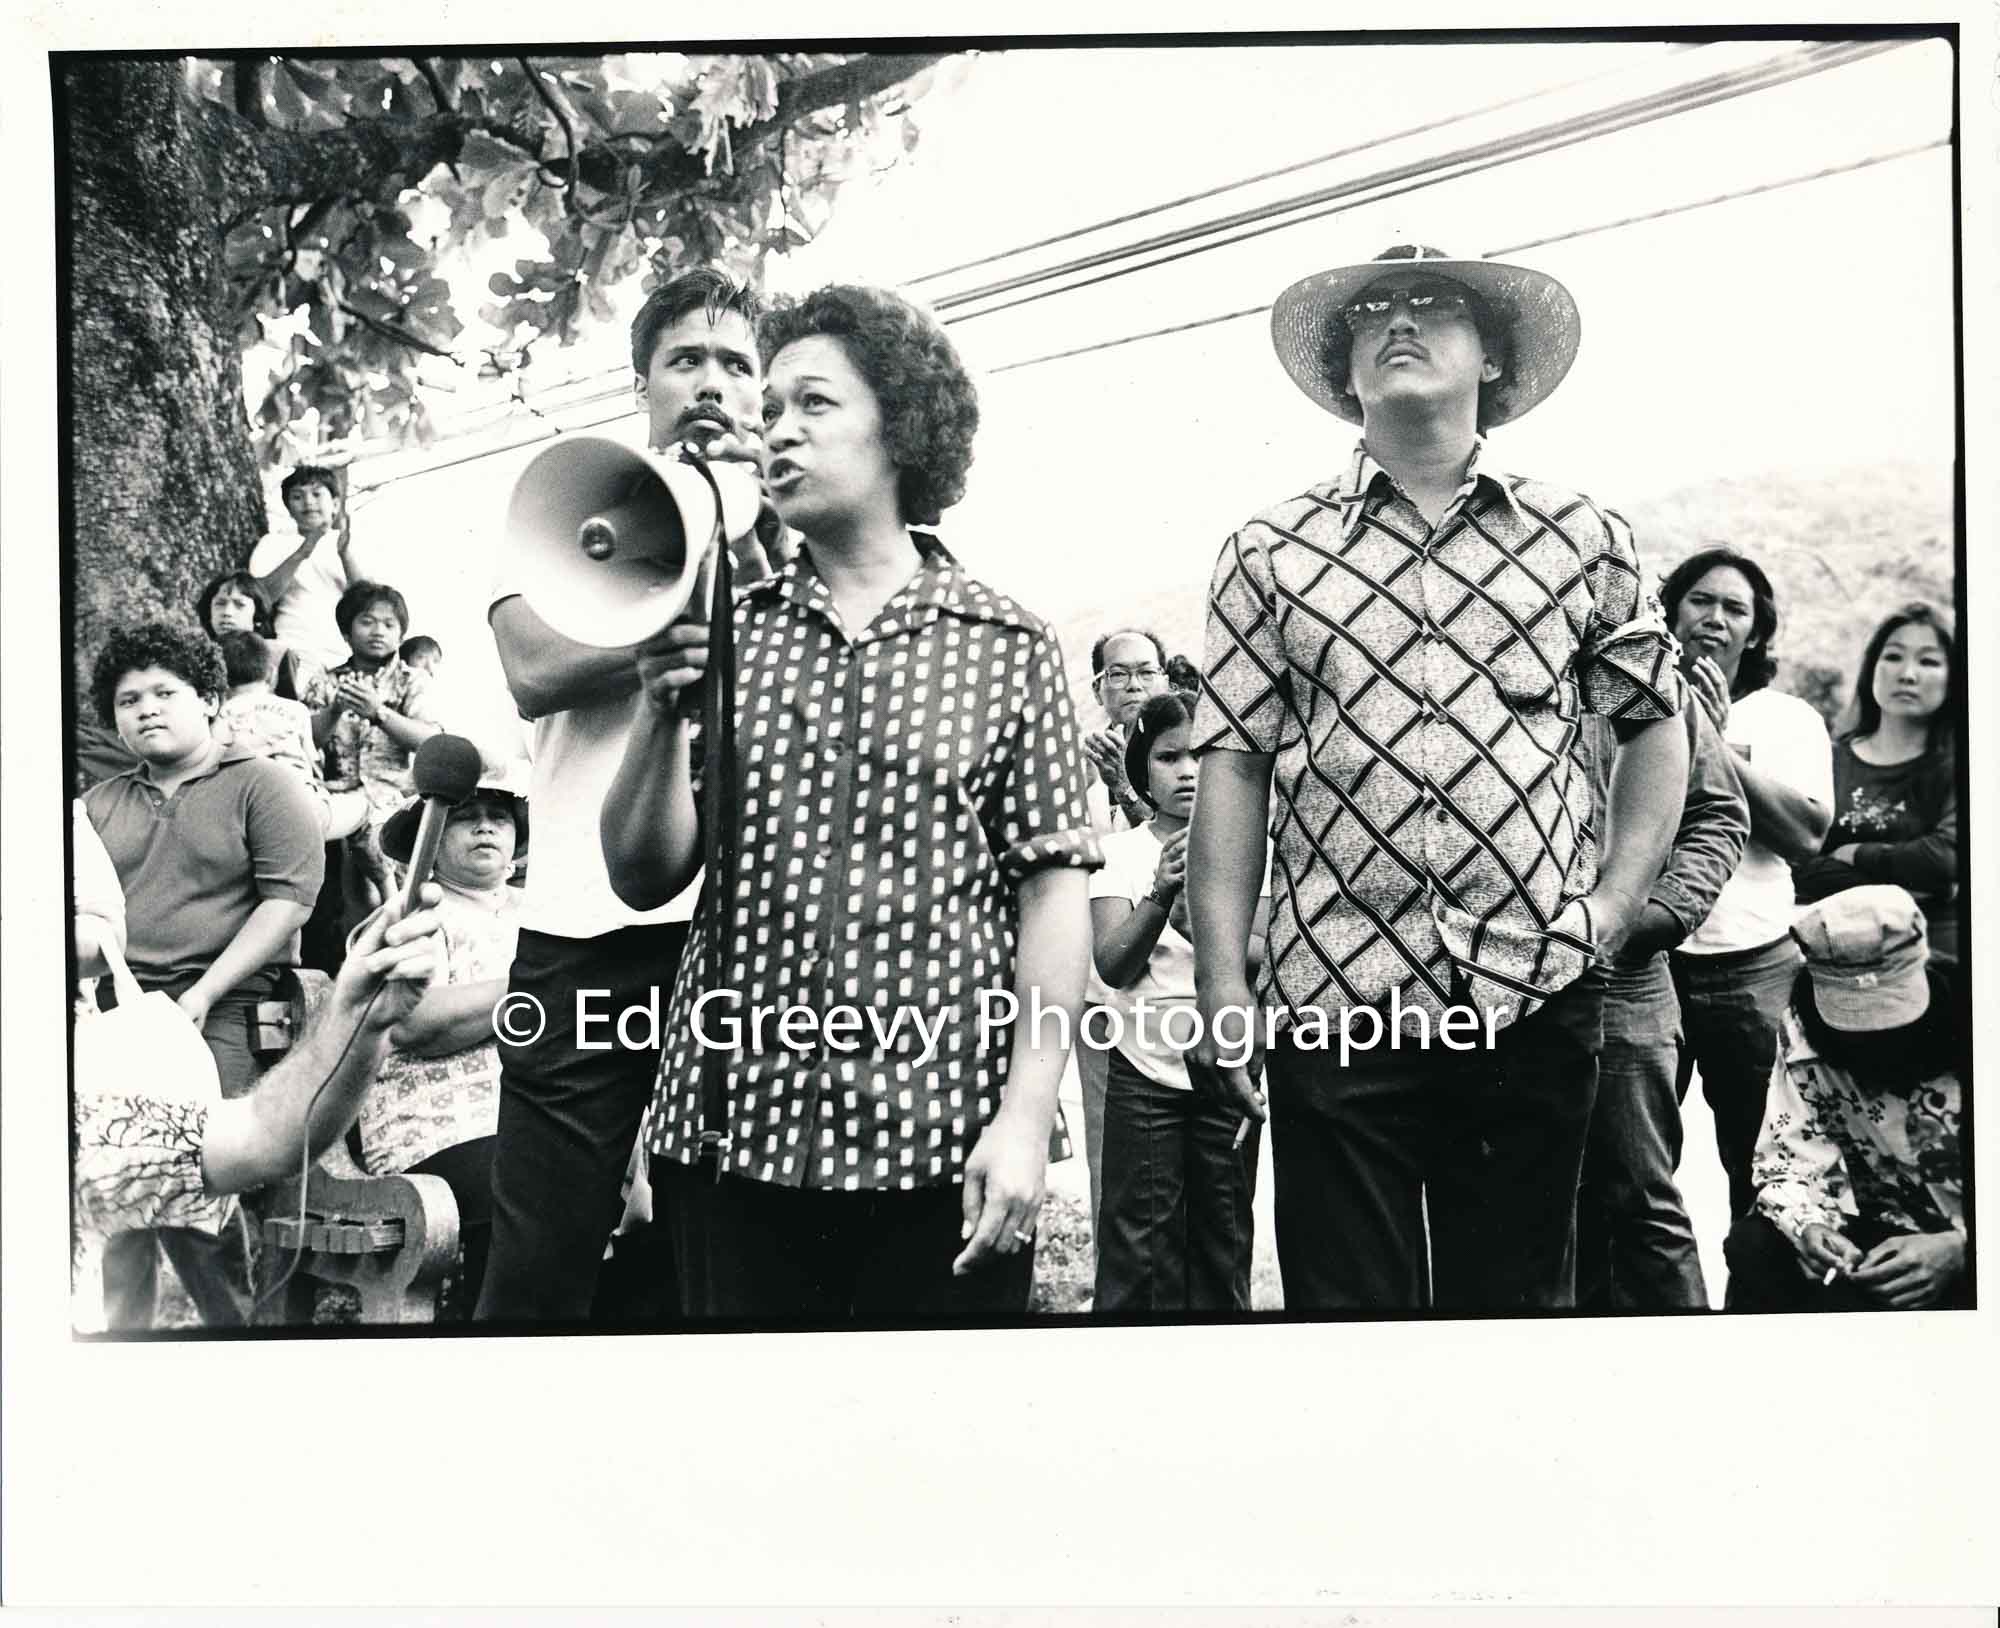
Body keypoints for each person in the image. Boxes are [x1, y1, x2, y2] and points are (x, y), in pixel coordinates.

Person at [1188, 245, 1689, 1311]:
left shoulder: (1582, 534)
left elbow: (1654, 728)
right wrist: (1223, 982)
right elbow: (1232, 766)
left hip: (1529, 989)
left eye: (1433, 303)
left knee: (1515, 1316)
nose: (1399, 320)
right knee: (1345, 1318)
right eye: (1372, 309)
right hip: (1333, 996)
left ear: (1492, 359)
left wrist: (1610, 906)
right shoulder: (1267, 549)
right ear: (1346, 370)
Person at [602, 282, 1097, 1321]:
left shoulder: (1007, 645)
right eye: (771, 407)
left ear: (902, 427)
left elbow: (1053, 901)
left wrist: (1024, 1118)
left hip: (940, 1149)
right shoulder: (729, 630)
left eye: (814, 404)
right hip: (731, 1145)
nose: (775, 429)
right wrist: (657, 711)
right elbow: (643, 873)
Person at [479, 266, 780, 1325]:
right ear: (642, 383)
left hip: (737, 933)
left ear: (763, 392)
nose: (711, 382)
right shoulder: (578, 499)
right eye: (685, 359)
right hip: (580, 931)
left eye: (735, 363)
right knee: (541, 1251)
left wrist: (754, 545)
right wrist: (669, 618)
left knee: (722, 1247)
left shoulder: (792, 523)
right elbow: (529, 668)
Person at [81, 622, 326, 1325]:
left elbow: (289, 901)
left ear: (210, 699)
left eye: (165, 693)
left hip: (227, 1004)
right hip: (119, 1009)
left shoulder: (263, 784)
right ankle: (122, 1335)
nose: (147, 710)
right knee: (106, 1161)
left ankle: (234, 1329)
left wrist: (204, 992)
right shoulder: (97, 805)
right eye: (129, 700)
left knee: (189, 1155)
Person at [74, 885, 447, 1331]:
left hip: (194, 1026)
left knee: (206, 1234)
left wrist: (357, 1016)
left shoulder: (81, 1124)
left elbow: (262, 1135)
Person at [1661, 547, 1834, 1224]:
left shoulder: (1787, 719)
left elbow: (1805, 836)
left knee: (1764, 1164)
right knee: (1633, 1162)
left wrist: (1709, 737)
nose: (1715, 618)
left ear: (1756, 632)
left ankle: (1761, 1280)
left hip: (1756, 965)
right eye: (1700, 600)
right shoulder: (1626, 703)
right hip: (1652, 963)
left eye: (1735, 608)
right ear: (1671, 611)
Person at [1090, 693, 1267, 1311]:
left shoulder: (1253, 849)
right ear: (1142, 767)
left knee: (1223, 1235)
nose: (1188, 771)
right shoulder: (1121, 853)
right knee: (1138, 1244)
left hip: (1226, 1071)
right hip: (1143, 1073)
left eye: (1200, 756)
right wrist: (1161, 895)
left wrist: (1206, 922)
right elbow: (1113, 965)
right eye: (1169, 757)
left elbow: (1264, 954)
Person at [1573, 698, 1749, 1311]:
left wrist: (1654, 916)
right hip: (1492, 975)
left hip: (1625, 973)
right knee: (1518, 1195)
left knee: (1640, 1194)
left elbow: (1718, 812)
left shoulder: (1653, 679)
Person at [1724, 886, 1966, 1311]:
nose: (1877, 1036)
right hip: (1885, 1238)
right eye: (1854, 1016)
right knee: (1753, 1243)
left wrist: (1962, 1248)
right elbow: (1788, 1164)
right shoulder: (1801, 1033)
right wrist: (1809, 1227)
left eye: (1889, 1012)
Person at [352, 783, 527, 1319]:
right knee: (526, 1183)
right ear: (428, 839)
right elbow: (415, 1023)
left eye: (499, 816)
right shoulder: (412, 915)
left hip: (535, 1119)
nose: (485, 826)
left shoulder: (541, 911)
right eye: (465, 816)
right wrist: (535, 989)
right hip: (433, 1129)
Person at [1074, 624, 1173, 1250]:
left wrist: (1128, 792)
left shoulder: (1186, 758)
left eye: (1145, 672)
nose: (1133, 685)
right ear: (1098, 689)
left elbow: (1180, 854)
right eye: (1119, 674)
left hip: (1176, 993)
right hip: (1101, 994)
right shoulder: (1075, 775)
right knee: (1109, 1157)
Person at [1794, 603, 1959, 963]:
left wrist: (1856, 854)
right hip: (1836, 952)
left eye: (1929, 661)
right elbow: (1797, 862)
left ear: (1954, 676)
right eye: (1894, 657)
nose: (1908, 674)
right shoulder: (1828, 758)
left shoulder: (1961, 766)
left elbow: (1947, 858)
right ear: (1873, 667)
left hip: (1934, 954)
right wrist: (1908, 883)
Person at [315, 581, 442, 933]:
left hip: (391, 799)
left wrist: (379, 713)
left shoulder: (412, 681)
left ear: (401, 634)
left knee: (378, 868)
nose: (378, 631)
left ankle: (389, 928)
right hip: (334, 797)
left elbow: (430, 741)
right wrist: (333, 711)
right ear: (346, 631)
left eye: (389, 624)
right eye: (367, 621)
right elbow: (305, 739)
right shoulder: (326, 681)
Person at [246, 464, 379, 668]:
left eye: (317, 494)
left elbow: (371, 602)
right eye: (297, 496)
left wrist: (345, 554)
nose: (308, 502)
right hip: (293, 648)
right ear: (288, 507)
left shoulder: (353, 542)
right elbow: (261, 598)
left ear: (335, 504)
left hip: (348, 652)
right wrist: (302, 553)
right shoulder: (273, 543)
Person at [197, 569, 333, 705]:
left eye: (239, 605)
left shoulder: (277, 655)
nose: (227, 612)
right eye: (220, 604)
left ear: (257, 615)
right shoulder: (197, 655)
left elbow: (289, 708)